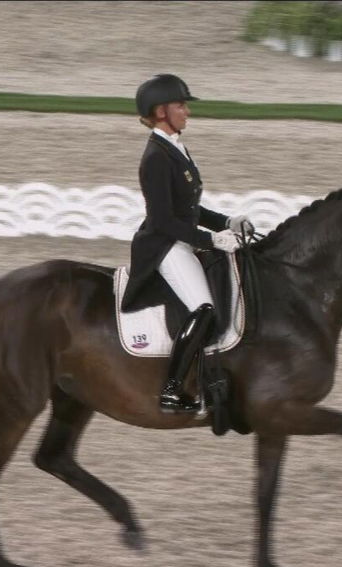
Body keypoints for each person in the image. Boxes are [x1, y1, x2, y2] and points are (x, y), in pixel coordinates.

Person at [119, 74, 255, 414]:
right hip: (163, 247)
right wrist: (212, 240)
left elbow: (190, 209)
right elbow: (164, 220)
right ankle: (171, 389)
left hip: (178, 239)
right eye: (181, 106)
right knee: (204, 309)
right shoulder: (155, 157)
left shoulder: (175, 147)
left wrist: (225, 222)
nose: (187, 112)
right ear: (162, 111)